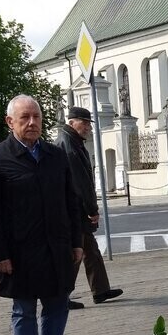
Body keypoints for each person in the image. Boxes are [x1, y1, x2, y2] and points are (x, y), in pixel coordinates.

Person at [0, 95, 84, 335]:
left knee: (57, 305)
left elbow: (70, 201)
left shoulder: (55, 155)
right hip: (19, 252)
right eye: (24, 117)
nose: (32, 122)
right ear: (10, 122)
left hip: (56, 247)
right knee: (23, 310)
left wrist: (77, 242)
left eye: (36, 116)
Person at [55, 106, 123, 309]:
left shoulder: (71, 142)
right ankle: (61, 297)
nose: (87, 127)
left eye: (88, 123)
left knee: (90, 250)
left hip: (75, 208)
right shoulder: (68, 145)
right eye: (83, 123)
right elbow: (79, 183)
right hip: (75, 210)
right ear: (71, 122)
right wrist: (91, 209)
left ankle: (100, 290)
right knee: (75, 253)